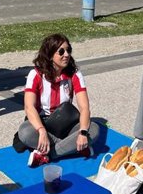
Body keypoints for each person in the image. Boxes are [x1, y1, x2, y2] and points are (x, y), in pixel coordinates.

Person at [17, 34, 100, 168]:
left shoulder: (75, 74)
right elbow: (29, 107)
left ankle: (47, 154)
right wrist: (42, 131)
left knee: (94, 129)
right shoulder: (36, 74)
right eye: (61, 51)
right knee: (25, 132)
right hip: (43, 123)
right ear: (49, 55)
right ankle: (72, 147)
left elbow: (84, 108)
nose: (66, 54)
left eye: (68, 50)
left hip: (66, 124)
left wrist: (83, 132)